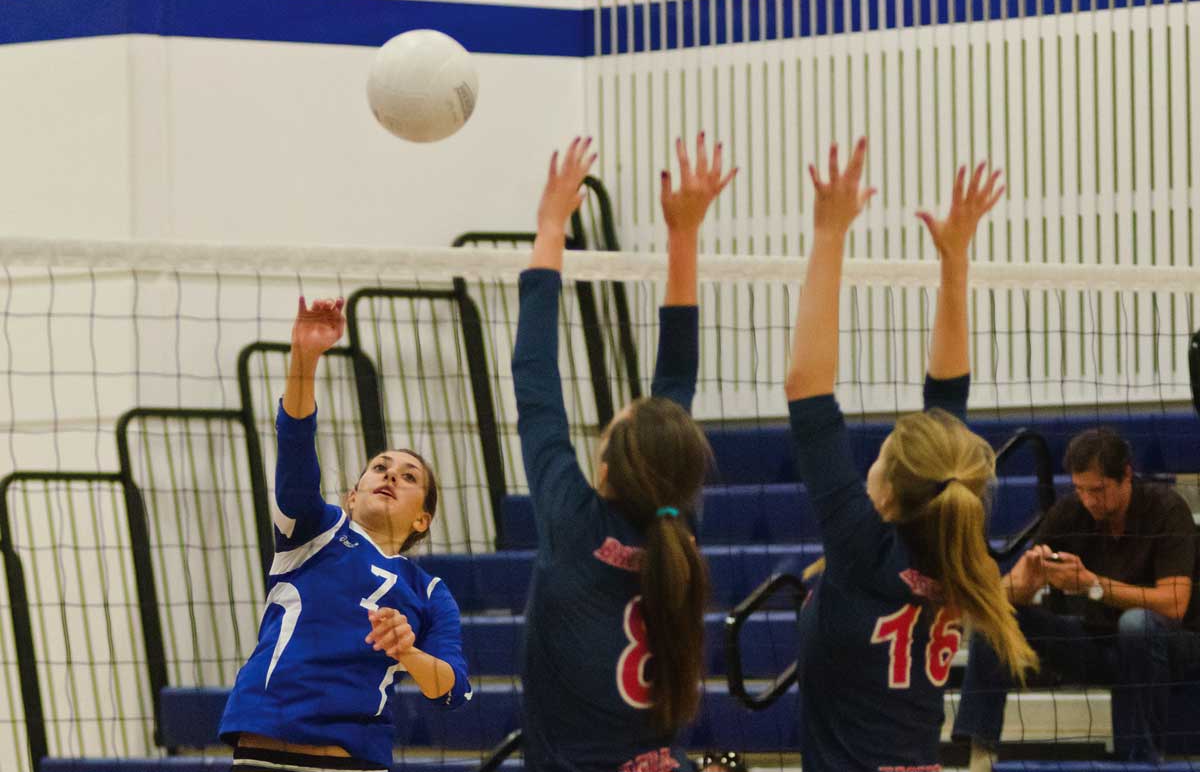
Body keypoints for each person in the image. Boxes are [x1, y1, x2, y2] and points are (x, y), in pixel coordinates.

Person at [784, 139, 1037, 772]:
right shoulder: (957, 549)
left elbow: (808, 389)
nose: (873, 455)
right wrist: (955, 259)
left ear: (889, 490)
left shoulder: (863, 547)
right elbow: (945, 405)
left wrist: (829, 236)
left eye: (882, 452)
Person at [512, 133, 735, 772]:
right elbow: (673, 383)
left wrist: (551, 224)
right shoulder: (677, 528)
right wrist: (684, 235)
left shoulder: (575, 521)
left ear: (605, 465)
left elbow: (535, 376)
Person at [218, 296, 471, 772]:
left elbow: (451, 690)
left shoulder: (430, 593)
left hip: (351, 759)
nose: (391, 476)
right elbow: (294, 449)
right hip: (265, 748)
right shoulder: (315, 532)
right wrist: (305, 357)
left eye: (409, 476)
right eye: (380, 467)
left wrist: (408, 651)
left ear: (423, 519)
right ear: (353, 496)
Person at [953, 426, 1200, 766]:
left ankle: (1140, 761)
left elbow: (1174, 604)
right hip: (1098, 643)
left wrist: (1092, 584)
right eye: (1081, 489)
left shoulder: (1166, 508)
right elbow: (1006, 594)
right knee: (998, 618)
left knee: (1135, 624)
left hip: (1172, 645)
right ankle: (979, 753)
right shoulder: (1071, 511)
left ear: (1126, 475)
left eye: (1098, 490)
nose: (1089, 500)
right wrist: (1024, 580)